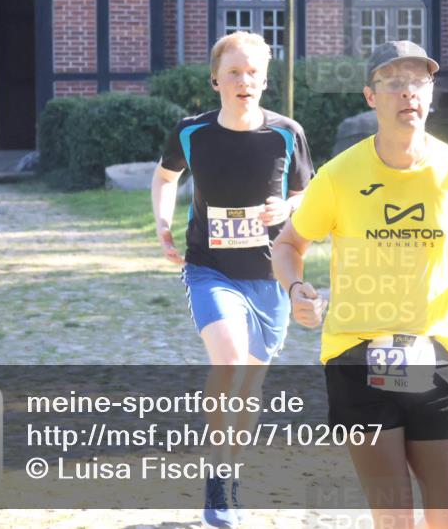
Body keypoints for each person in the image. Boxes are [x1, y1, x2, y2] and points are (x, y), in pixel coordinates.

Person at [272, 40, 448, 529]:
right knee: (395, 517)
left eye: (419, 83)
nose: (408, 94)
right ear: (370, 97)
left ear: (431, 94)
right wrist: (297, 290)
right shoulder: (339, 176)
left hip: (434, 351)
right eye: (394, 83)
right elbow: (288, 244)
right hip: (357, 353)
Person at [150, 31, 313, 528]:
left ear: (265, 81)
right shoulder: (191, 132)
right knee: (229, 361)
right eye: (235, 72)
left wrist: (287, 205)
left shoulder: (287, 132)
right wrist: (161, 223)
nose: (245, 81)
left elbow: (311, 195)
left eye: (255, 74)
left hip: (270, 275)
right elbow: (164, 177)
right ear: (215, 78)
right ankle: (219, 487)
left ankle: (231, 468)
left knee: (249, 386)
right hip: (209, 268)